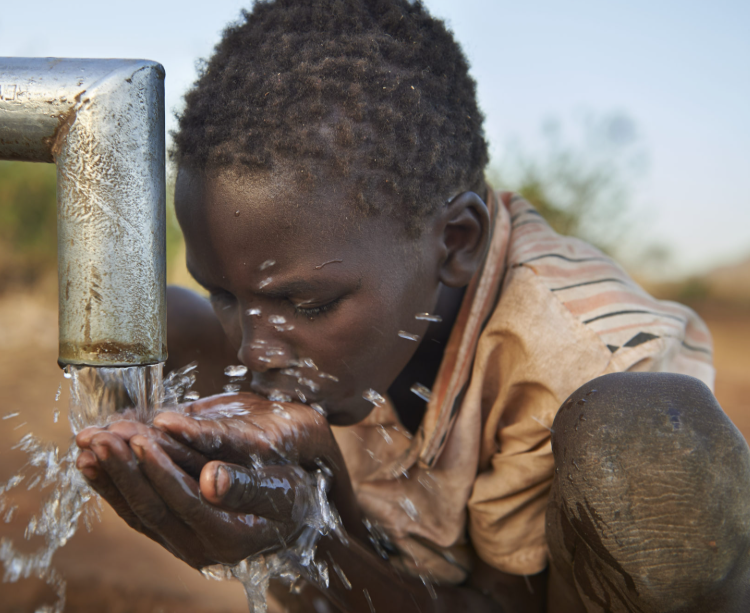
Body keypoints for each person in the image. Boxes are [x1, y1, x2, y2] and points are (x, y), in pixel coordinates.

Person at [75, 1, 750, 611]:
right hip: (408, 568)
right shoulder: (352, 271)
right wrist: (301, 502)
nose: (254, 352)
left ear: (456, 242)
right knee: (153, 331)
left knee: (646, 439)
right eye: (224, 294)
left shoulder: (579, 354)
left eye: (306, 303)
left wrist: (309, 533)